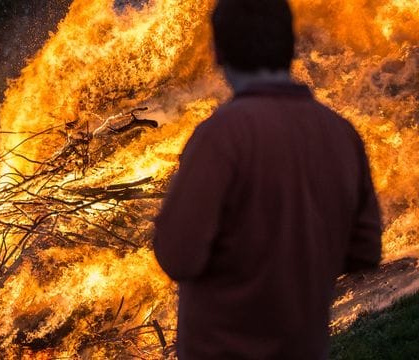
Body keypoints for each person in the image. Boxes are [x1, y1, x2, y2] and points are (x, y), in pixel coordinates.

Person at [153, 0, 383, 358]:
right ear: (291, 45)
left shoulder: (220, 136)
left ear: (217, 52)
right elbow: (365, 249)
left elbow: (178, 256)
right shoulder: (341, 134)